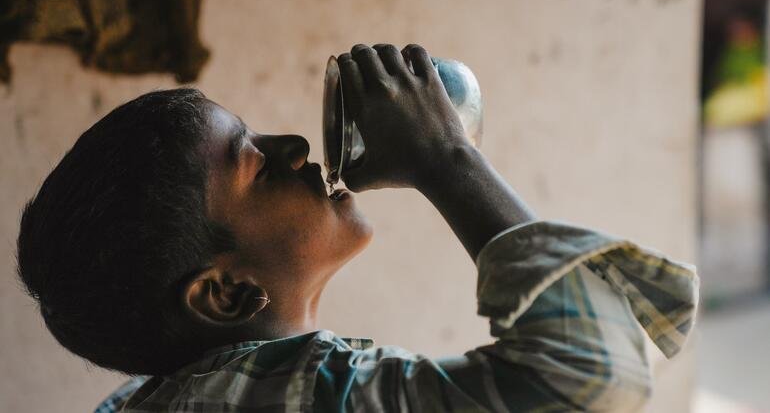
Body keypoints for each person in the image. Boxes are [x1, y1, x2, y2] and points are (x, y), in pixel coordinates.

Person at [17, 44, 697, 413]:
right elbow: (590, 379)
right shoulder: (299, 395)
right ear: (225, 293)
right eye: (257, 165)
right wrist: (447, 158)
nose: (294, 146)